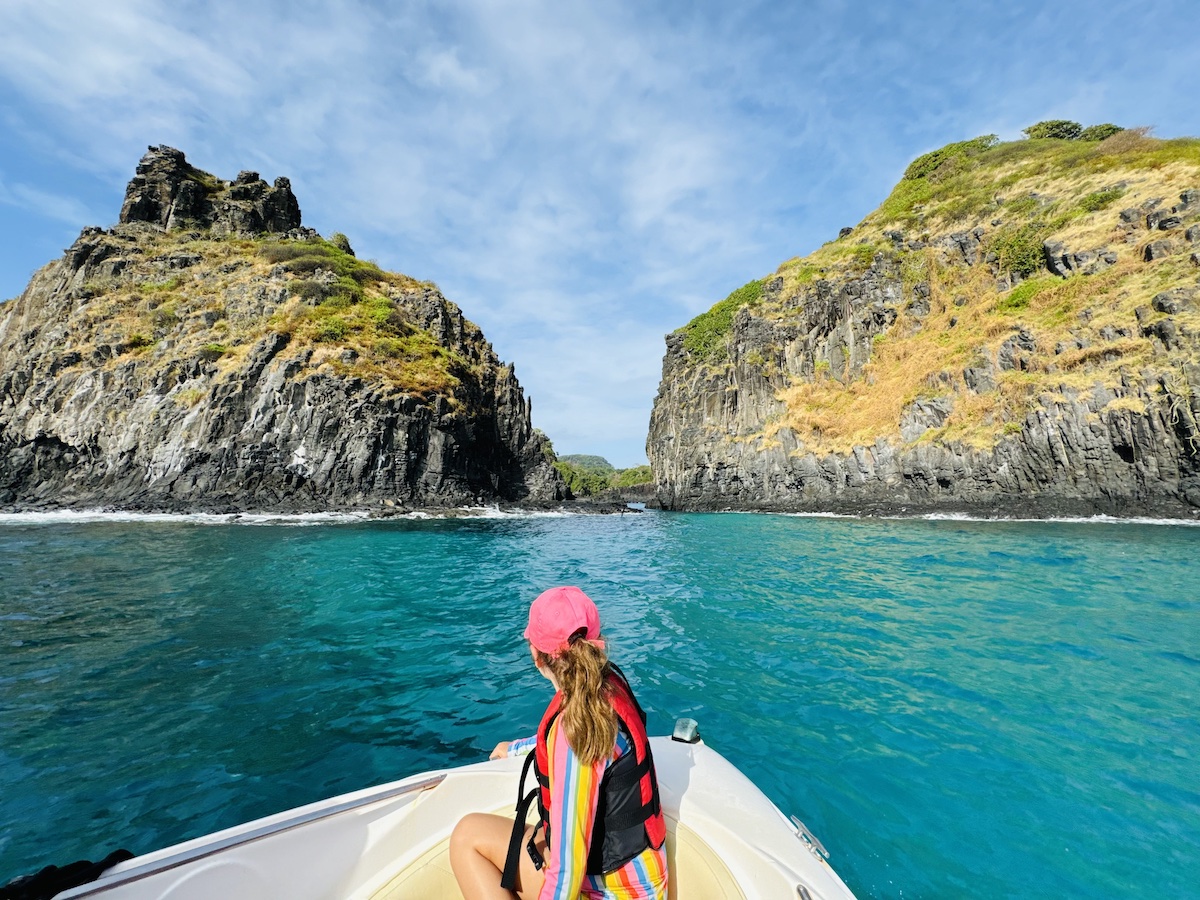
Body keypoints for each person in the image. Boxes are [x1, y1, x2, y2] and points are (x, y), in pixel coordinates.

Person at [450, 586, 669, 900]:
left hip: (610, 893)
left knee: (466, 837)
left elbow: (567, 873)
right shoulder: (607, 688)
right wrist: (514, 749)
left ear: (537, 656)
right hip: (643, 883)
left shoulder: (575, 734)